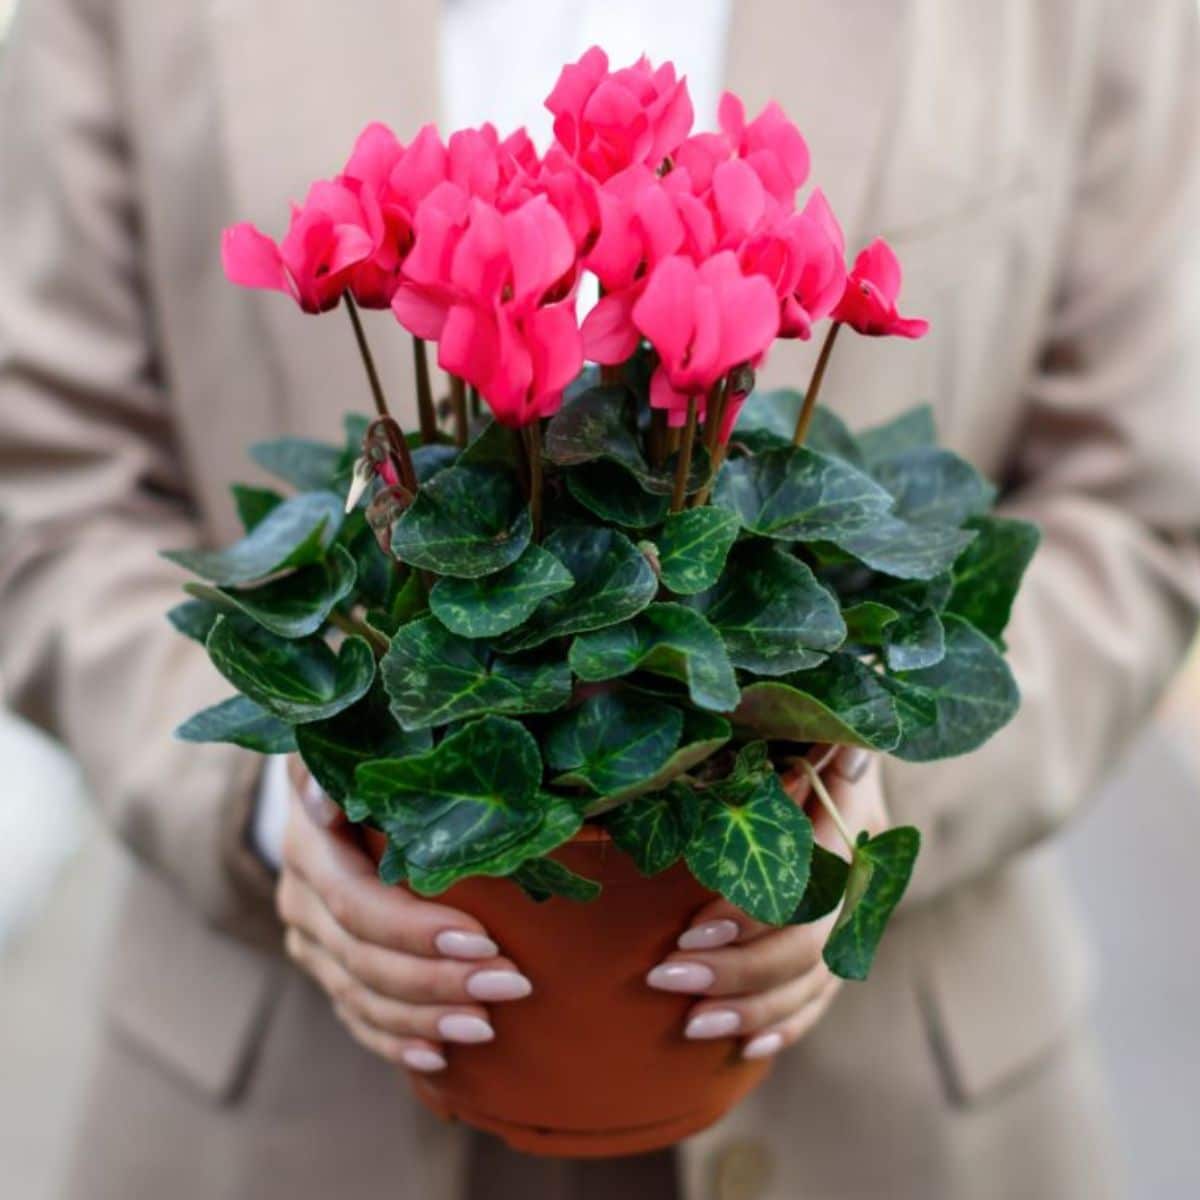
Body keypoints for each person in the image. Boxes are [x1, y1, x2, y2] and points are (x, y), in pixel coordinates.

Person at [1, 2, 1197, 1198]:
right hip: (288, 1115)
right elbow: (41, 492)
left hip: (890, 1122)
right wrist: (285, 810)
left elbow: (1144, 508)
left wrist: (858, 786)